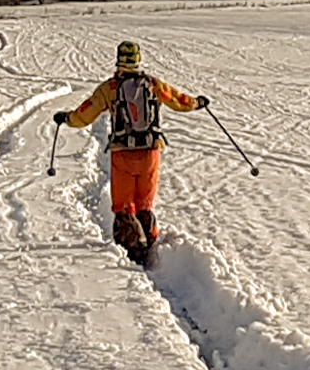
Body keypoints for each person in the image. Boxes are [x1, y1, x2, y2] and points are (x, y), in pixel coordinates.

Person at [56, 40, 208, 264]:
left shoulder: (110, 88)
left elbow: (85, 114)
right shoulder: (153, 84)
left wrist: (67, 118)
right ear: (138, 60)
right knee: (144, 204)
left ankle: (132, 252)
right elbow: (178, 100)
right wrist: (197, 103)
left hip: (122, 153)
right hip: (150, 152)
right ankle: (150, 243)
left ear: (118, 60)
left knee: (124, 206)